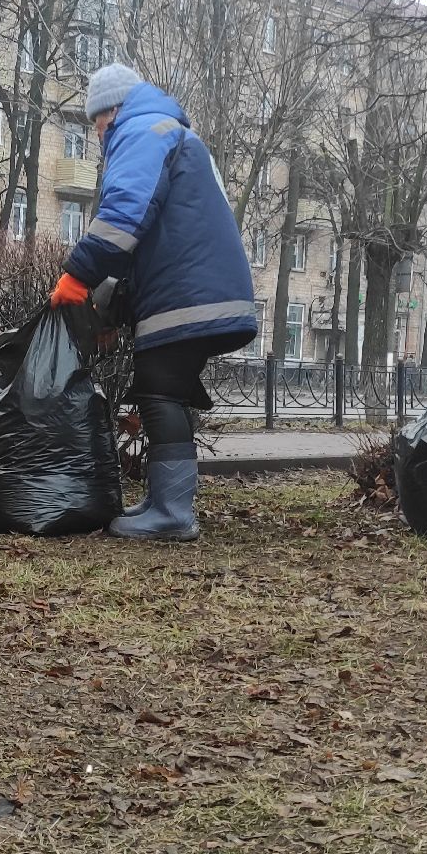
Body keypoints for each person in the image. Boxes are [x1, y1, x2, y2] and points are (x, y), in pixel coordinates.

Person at [50, 63, 258, 541]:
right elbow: (151, 231)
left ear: (112, 111)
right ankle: (166, 500)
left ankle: (172, 511)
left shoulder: (140, 130)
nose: (98, 136)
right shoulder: (169, 130)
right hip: (198, 283)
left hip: (188, 290)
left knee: (160, 386)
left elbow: (125, 215)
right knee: (166, 386)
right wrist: (112, 302)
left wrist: (77, 274)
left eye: (97, 125)